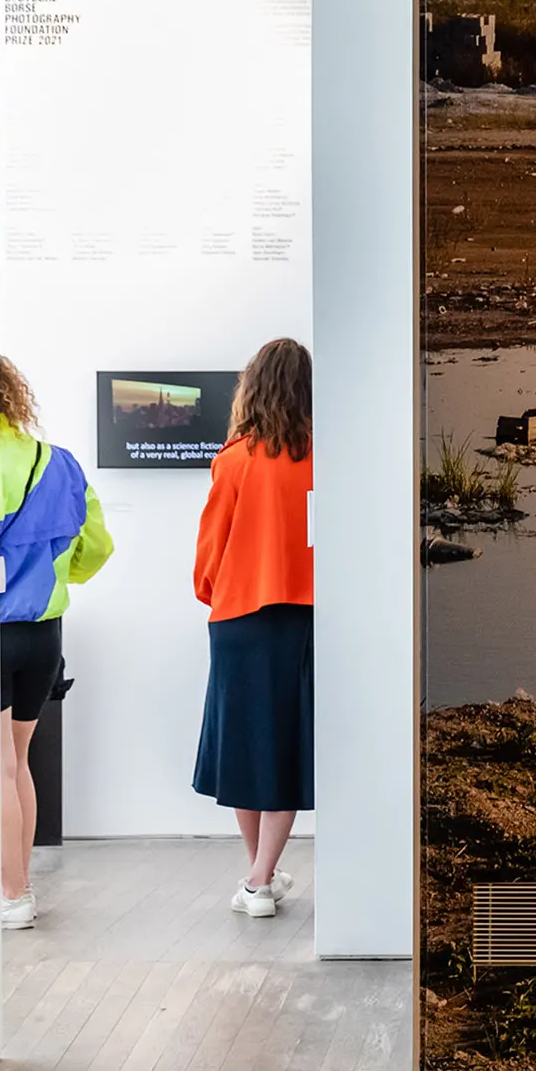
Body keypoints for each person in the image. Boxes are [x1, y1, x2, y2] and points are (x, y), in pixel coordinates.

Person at [192, 338, 316, 918]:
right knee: (283, 744)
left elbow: (211, 549)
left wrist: (214, 593)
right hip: (301, 615)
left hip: (238, 616)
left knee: (244, 746)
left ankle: (259, 878)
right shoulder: (321, 455)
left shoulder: (233, 458)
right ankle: (260, 877)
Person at [0, 357, 113, 930]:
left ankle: (9, 893)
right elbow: (96, 549)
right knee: (18, 761)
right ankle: (17, 889)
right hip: (44, 634)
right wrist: (52, 576)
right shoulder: (58, 462)